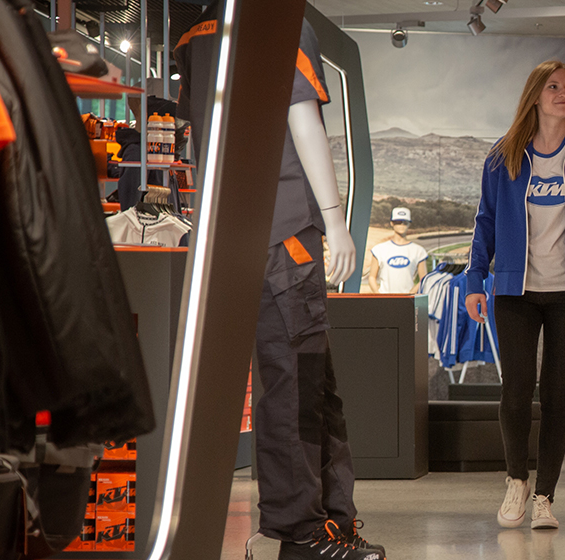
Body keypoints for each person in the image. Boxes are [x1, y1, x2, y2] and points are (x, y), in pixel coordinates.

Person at [175, 9, 383, 559]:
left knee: (310, 382)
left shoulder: (195, 34)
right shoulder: (281, 22)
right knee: (295, 386)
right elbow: (302, 118)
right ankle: (303, 533)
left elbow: (200, 138)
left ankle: (332, 523)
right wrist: (336, 220)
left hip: (239, 229)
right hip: (285, 230)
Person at [464, 60, 565, 530]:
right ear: (535, 95)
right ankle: (517, 480)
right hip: (515, 292)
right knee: (516, 391)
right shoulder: (504, 156)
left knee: (557, 396)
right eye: (553, 86)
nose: (563, 94)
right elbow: (485, 222)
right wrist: (475, 280)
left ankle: (545, 497)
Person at [367, 207, 430, 293]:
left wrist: (410, 294)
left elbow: (424, 279)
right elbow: (372, 277)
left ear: (409, 224)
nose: (401, 225)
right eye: (398, 222)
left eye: (405, 222)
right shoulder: (379, 250)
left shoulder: (418, 251)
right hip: (385, 298)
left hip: (407, 299)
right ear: (392, 223)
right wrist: (379, 296)